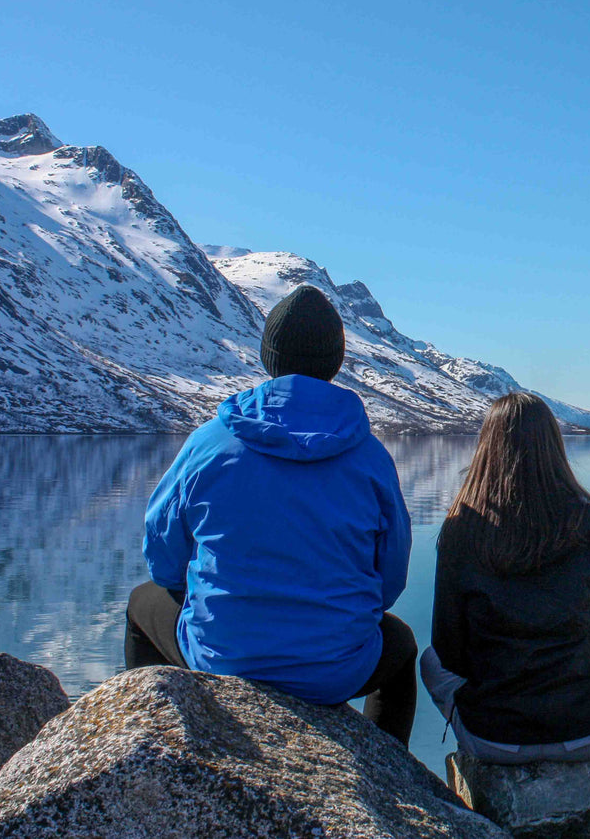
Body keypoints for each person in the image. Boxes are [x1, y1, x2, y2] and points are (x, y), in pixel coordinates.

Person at [124, 285, 418, 744]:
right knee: (400, 647)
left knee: (142, 603)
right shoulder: (370, 456)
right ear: (336, 361)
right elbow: (391, 579)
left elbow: (162, 554)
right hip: (334, 670)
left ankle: (148, 744)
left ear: (269, 357)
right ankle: (391, 779)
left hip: (222, 658)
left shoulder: (210, 442)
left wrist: (199, 594)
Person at [421, 392, 590, 763]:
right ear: (554, 445)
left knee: (428, 660)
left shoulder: (463, 529)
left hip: (493, 738)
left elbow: (448, 646)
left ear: (487, 446)